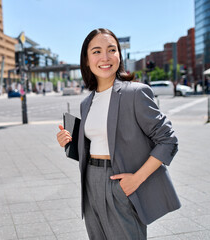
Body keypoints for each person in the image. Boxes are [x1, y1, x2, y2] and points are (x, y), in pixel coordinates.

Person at [56, 28, 180, 240]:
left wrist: (136, 180)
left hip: (121, 181)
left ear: (119, 56)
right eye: (96, 51)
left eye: (111, 50)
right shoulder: (87, 102)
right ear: (86, 60)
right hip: (90, 181)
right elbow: (98, 143)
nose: (105, 57)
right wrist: (68, 141)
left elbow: (168, 140)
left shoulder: (135, 93)